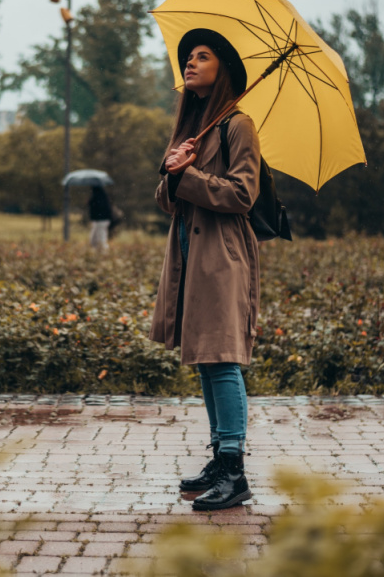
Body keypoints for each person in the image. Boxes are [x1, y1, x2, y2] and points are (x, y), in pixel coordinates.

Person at [148, 28, 260, 511]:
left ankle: (234, 470)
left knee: (222, 356)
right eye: (187, 58)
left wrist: (188, 175)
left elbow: (242, 194)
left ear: (223, 68)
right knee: (203, 358)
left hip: (222, 255)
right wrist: (171, 172)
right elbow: (167, 202)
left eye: (201, 56)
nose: (189, 63)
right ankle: (219, 457)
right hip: (188, 254)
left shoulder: (239, 125)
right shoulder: (195, 128)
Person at [88, 185, 112, 251]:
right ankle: (99, 251)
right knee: (94, 239)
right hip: (102, 220)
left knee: (101, 238)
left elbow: (97, 208)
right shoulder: (103, 196)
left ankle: (104, 252)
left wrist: (91, 202)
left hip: (100, 220)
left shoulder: (97, 197)